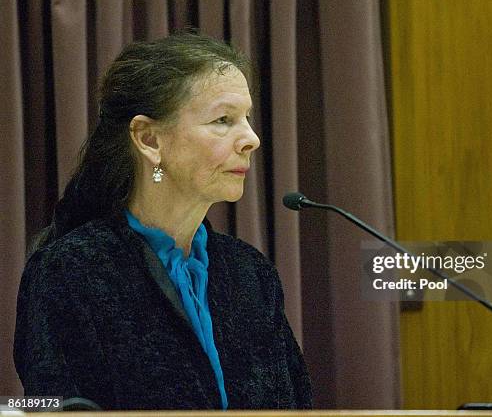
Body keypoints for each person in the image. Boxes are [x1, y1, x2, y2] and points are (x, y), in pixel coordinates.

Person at [13, 33, 312, 410]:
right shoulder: (69, 272)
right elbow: (54, 406)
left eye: (247, 118)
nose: (250, 138)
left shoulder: (250, 273)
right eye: (223, 119)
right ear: (149, 139)